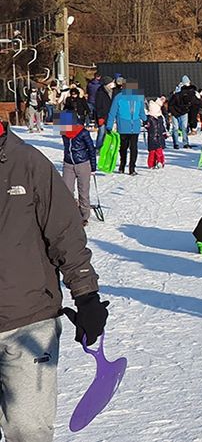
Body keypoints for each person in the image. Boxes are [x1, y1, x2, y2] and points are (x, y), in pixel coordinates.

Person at [0, 121, 108, 442]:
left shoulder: (29, 163)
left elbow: (66, 234)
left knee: (28, 432)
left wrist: (86, 295)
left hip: (28, 324)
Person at [58, 113, 98, 223]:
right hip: (68, 164)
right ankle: (71, 213)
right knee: (66, 190)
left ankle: (84, 216)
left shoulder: (83, 132)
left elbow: (91, 149)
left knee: (83, 192)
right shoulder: (64, 133)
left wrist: (93, 167)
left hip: (83, 164)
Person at [107, 80, 146, 176]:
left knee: (134, 147)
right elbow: (112, 112)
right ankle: (122, 164)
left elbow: (141, 111)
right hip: (123, 126)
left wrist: (145, 120)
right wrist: (109, 125)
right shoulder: (119, 98)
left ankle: (132, 167)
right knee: (123, 147)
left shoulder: (139, 98)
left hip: (135, 126)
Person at [168, 76, 196, 149]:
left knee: (181, 128)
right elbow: (171, 104)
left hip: (182, 112)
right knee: (177, 128)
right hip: (178, 112)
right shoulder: (178, 93)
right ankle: (179, 143)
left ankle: (182, 143)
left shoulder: (187, 92)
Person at [145, 97, 169, 169]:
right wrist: (146, 125)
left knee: (159, 151)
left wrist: (164, 132)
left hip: (159, 136)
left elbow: (162, 126)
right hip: (152, 137)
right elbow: (146, 125)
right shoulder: (149, 118)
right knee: (152, 152)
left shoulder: (160, 118)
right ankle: (151, 164)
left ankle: (160, 162)